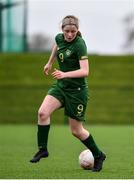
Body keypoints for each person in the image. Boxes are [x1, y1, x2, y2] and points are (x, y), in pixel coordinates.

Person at [30, 15, 106, 172]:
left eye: (73, 31)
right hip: (61, 87)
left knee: (76, 131)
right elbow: (57, 46)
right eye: (67, 31)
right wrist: (50, 62)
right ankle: (43, 149)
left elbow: (85, 71)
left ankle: (98, 155)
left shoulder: (80, 45)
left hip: (77, 92)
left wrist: (64, 74)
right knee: (43, 113)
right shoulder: (59, 38)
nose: (70, 34)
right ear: (62, 30)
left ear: (77, 30)